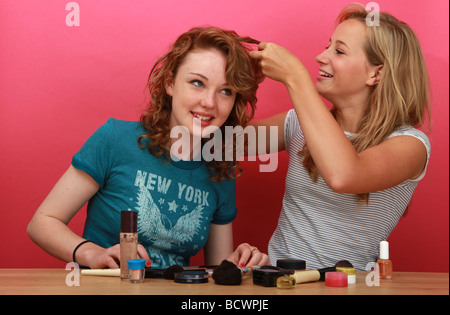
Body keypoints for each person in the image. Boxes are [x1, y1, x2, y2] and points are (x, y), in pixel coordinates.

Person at [27, 26, 269, 269]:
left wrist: (240, 261)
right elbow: (42, 222)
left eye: (226, 91)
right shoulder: (114, 140)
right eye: (197, 83)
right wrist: (92, 254)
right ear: (170, 84)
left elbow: (218, 269)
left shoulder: (221, 169)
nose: (209, 103)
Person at [249, 4, 431, 270]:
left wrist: (295, 77)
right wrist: (232, 84)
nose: (320, 57)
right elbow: (218, 143)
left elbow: (344, 175)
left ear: (376, 73)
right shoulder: (298, 125)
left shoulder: (412, 145)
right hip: (279, 283)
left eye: (339, 51)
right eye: (327, 46)